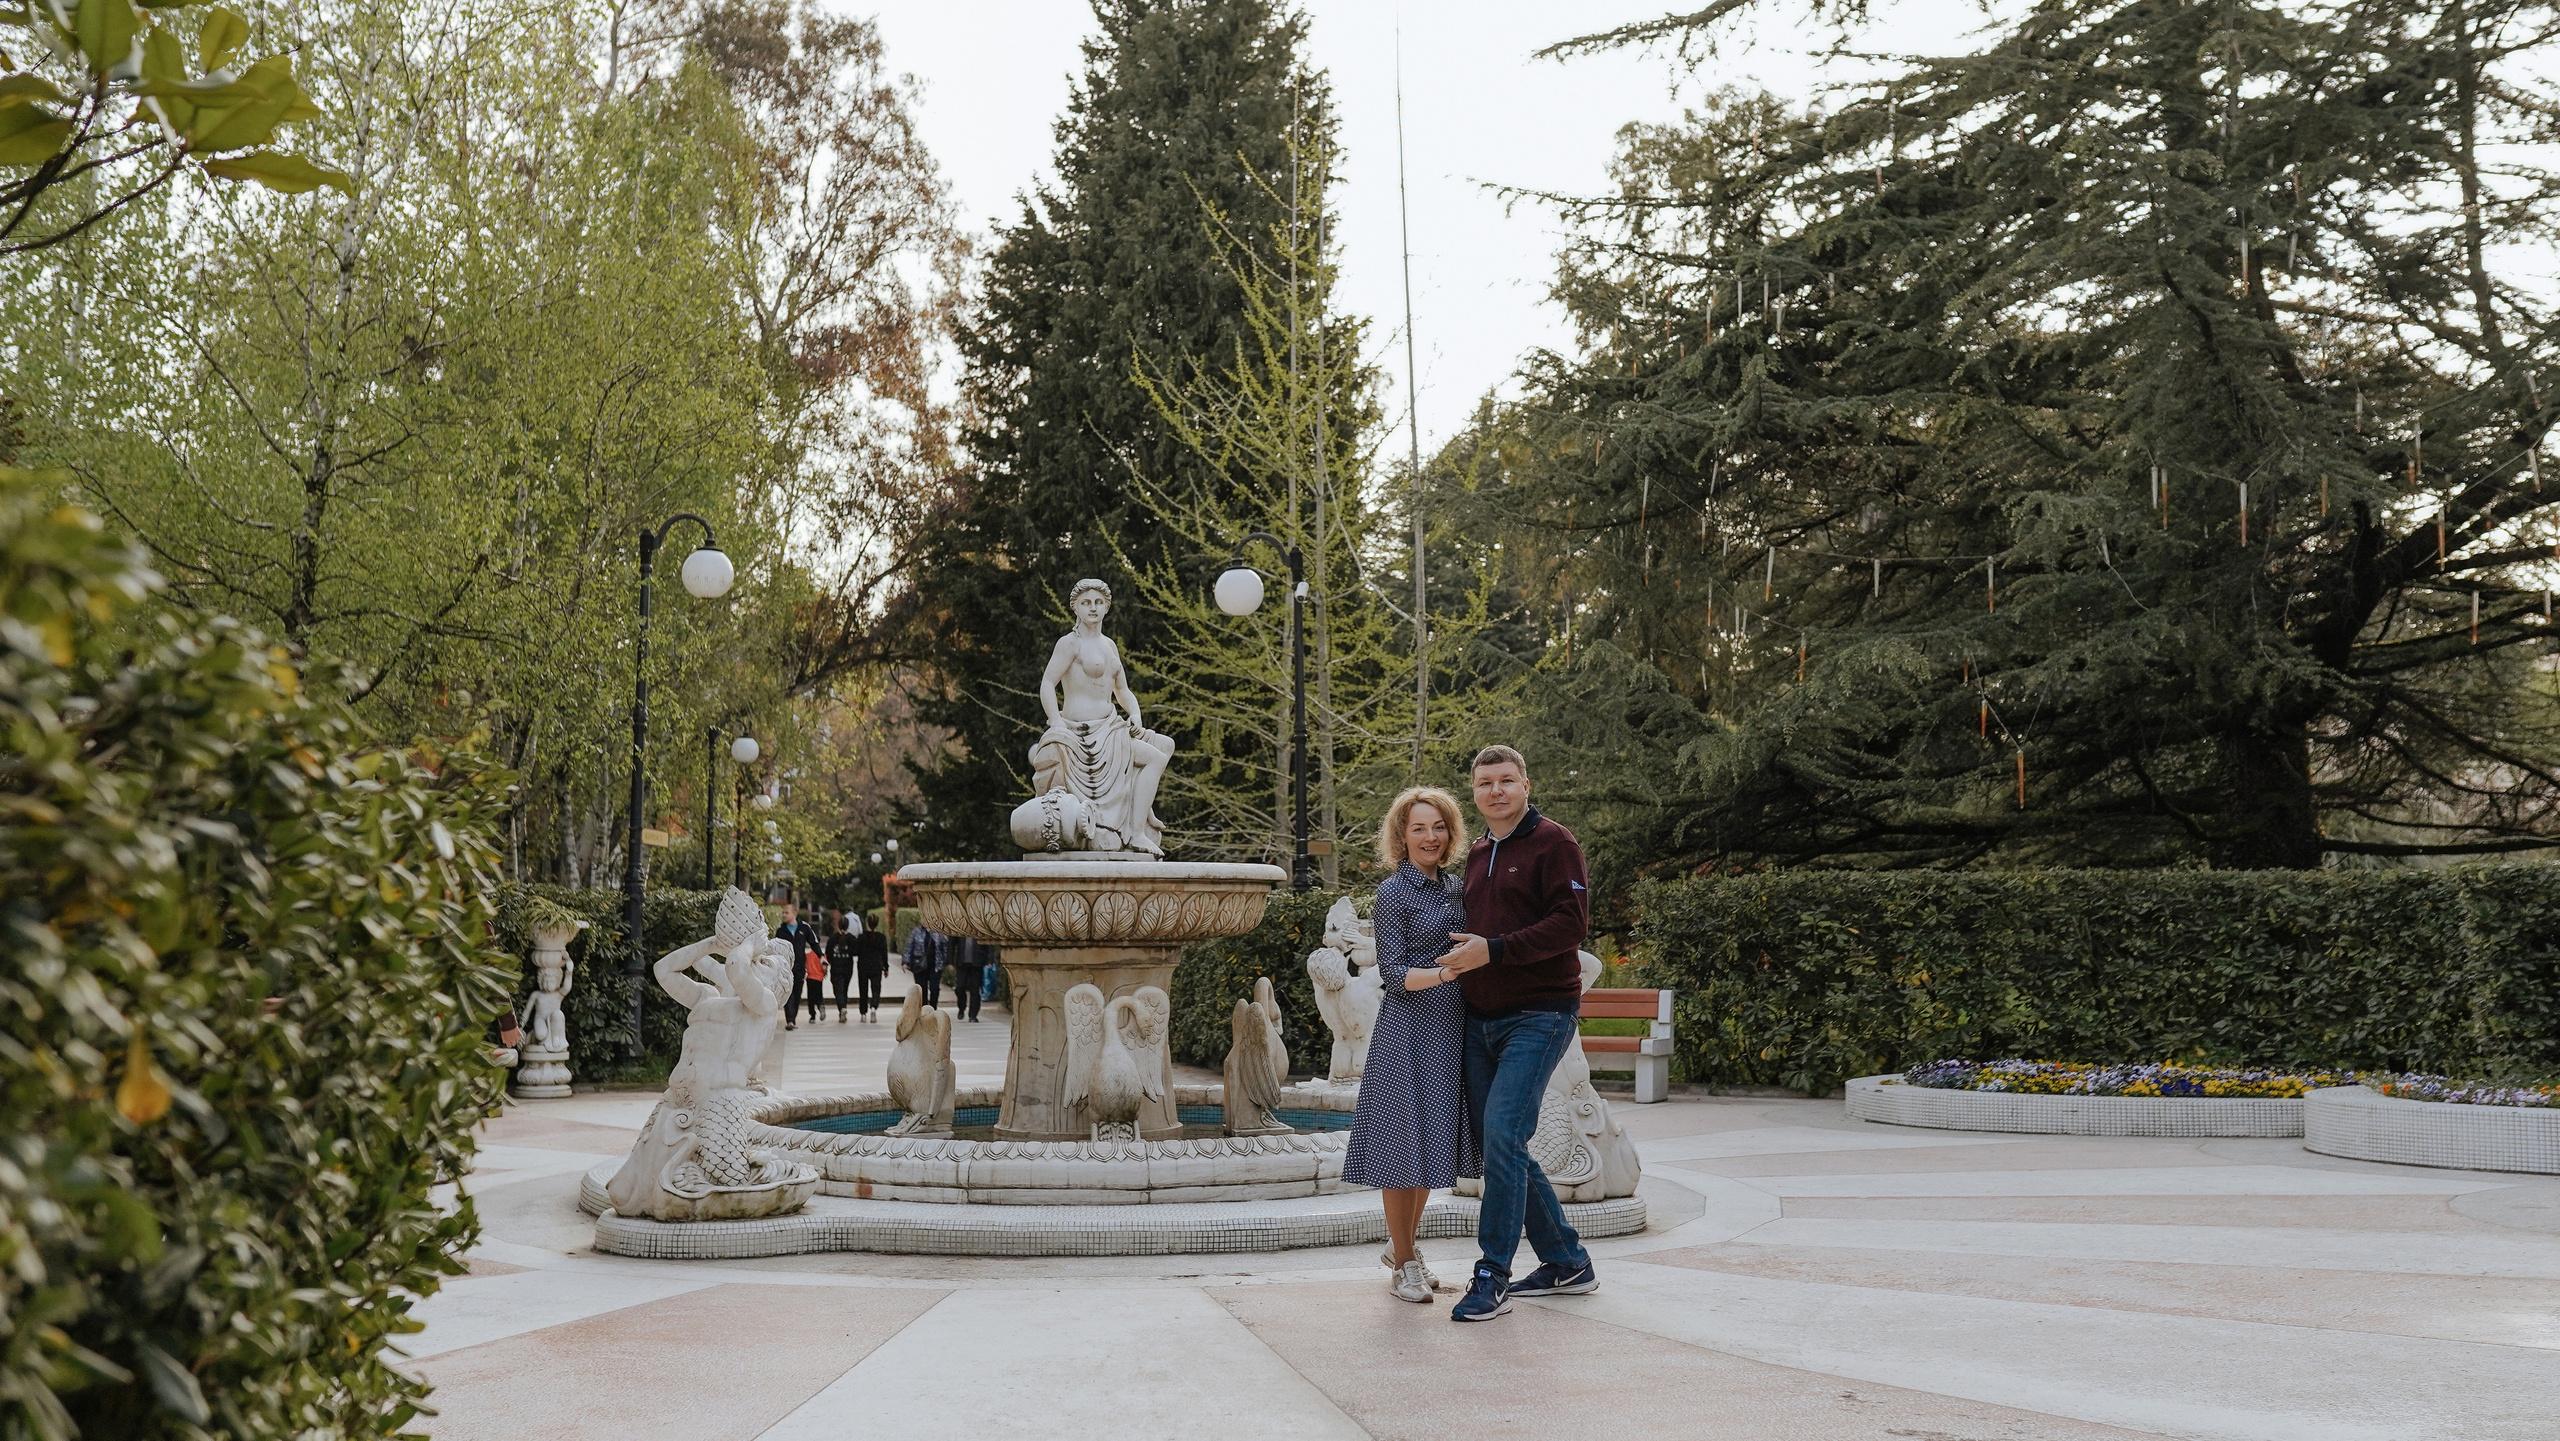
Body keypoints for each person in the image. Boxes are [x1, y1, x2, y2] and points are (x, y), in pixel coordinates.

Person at [1439, 744, 1599, 1322]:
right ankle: (1566, 1260)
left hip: (1540, 1013)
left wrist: (1496, 951)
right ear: (1475, 793)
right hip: (1479, 1018)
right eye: (1485, 783)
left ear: (1525, 786)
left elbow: (1570, 924)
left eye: (1506, 780)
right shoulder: (1478, 850)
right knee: (1500, 1142)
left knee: (1504, 1132)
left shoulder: (1554, 843)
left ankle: (1491, 1274)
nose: (1496, 791)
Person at [1339, 786, 1475, 1305]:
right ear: (1402, 835)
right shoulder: (1393, 893)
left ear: (1450, 833)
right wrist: (1451, 970)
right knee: (1402, 1148)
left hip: (1449, 1028)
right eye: (1419, 828)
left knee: (1429, 1147)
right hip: (1405, 1030)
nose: (1430, 836)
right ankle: (1404, 1262)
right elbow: (1393, 976)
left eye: (1438, 827)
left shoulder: (1456, 889)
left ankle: (1406, 1252)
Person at [775, 898, 826, 1031]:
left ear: (794, 913)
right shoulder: (781, 931)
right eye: (783, 913)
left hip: (799, 967)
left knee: (797, 992)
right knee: (788, 993)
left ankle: (793, 1018)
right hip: (785, 968)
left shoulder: (804, 928)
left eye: (786, 912)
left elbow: (814, 942)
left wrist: (821, 956)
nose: (784, 915)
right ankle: (790, 1020)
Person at [855, 911, 891, 1021]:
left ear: (867, 924)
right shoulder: (881, 937)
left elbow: (856, 951)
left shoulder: (861, 937)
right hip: (876, 965)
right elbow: (884, 954)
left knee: (863, 989)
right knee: (876, 988)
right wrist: (886, 967)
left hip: (863, 966)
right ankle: (873, 1007)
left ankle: (863, 1013)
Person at [826, 909, 861, 1023]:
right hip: (848, 967)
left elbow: (828, 954)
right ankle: (843, 1007)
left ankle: (842, 1008)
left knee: (838, 990)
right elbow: (856, 952)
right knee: (844, 989)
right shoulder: (851, 938)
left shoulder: (832, 939)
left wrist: (831, 962)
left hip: (836, 967)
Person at [903, 921, 943, 1010]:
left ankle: (933, 1008)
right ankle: (923, 1009)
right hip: (920, 966)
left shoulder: (938, 932)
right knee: (921, 989)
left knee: (934, 988)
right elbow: (909, 947)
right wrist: (906, 962)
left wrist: (945, 962)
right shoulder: (916, 932)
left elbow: (944, 948)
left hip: (935, 966)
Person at [949, 934, 987, 1022]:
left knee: (975, 989)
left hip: (977, 964)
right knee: (960, 987)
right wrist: (950, 961)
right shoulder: (960, 927)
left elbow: (987, 944)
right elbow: (951, 944)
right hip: (962, 964)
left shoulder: (978, 926)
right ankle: (961, 1008)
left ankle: (973, 1015)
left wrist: (989, 960)